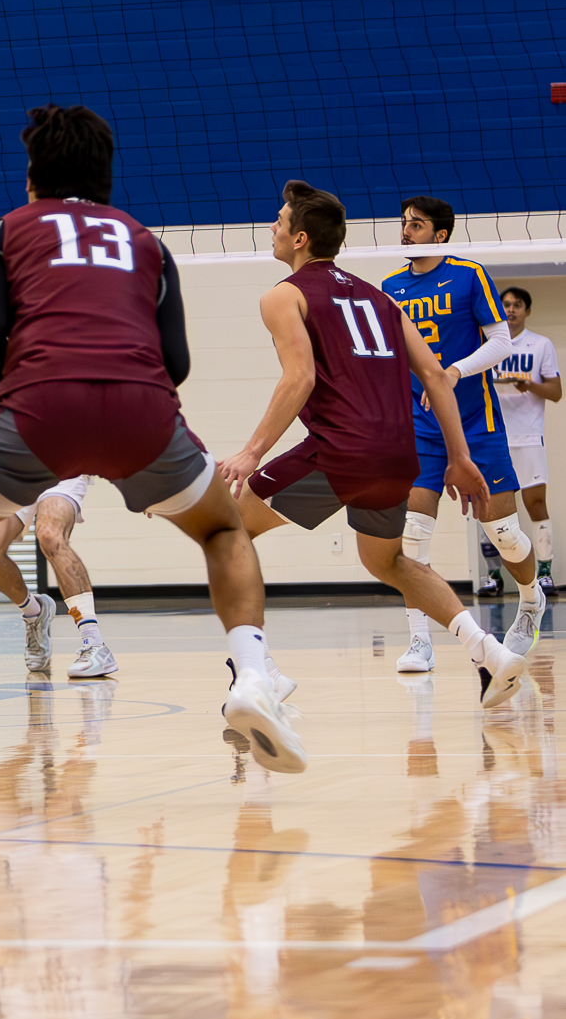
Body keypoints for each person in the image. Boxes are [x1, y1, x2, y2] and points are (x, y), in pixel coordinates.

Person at [0, 106, 306, 797]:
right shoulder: (145, 240)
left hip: (39, 406)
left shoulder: (4, 233)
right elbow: (178, 358)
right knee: (224, 527)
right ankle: (253, 677)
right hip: (142, 408)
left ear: (32, 176)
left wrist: (13, 398)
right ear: (106, 179)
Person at [221, 182, 528, 708]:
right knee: (388, 562)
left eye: (277, 221)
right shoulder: (381, 297)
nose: (269, 228)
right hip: (398, 454)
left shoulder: (282, 295)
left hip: (340, 450)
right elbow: (434, 374)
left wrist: (251, 452)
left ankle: (257, 671)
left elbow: (299, 380)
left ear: (299, 239)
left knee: (224, 531)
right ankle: (490, 654)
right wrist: (459, 457)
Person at [380, 196, 540, 671]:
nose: (406, 231)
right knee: (412, 531)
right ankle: (419, 641)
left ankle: (532, 599)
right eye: (404, 223)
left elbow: (500, 342)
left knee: (505, 534)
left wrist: (453, 372)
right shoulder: (389, 286)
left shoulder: (468, 274)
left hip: (476, 422)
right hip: (420, 425)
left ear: (441, 234)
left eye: (417, 224)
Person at [0, 470, 106, 676]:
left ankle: (94, 643)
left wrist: (144, 484)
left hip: (64, 467)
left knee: (50, 535)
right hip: (15, 469)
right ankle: (35, 612)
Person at [497, 286, 559, 595]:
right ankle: (494, 575)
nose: (510, 309)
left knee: (535, 504)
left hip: (529, 436)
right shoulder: (487, 344)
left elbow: (556, 393)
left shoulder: (540, 344)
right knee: (490, 505)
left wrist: (528, 384)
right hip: (493, 438)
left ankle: (545, 572)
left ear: (527, 310)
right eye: (505, 304)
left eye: (517, 305)